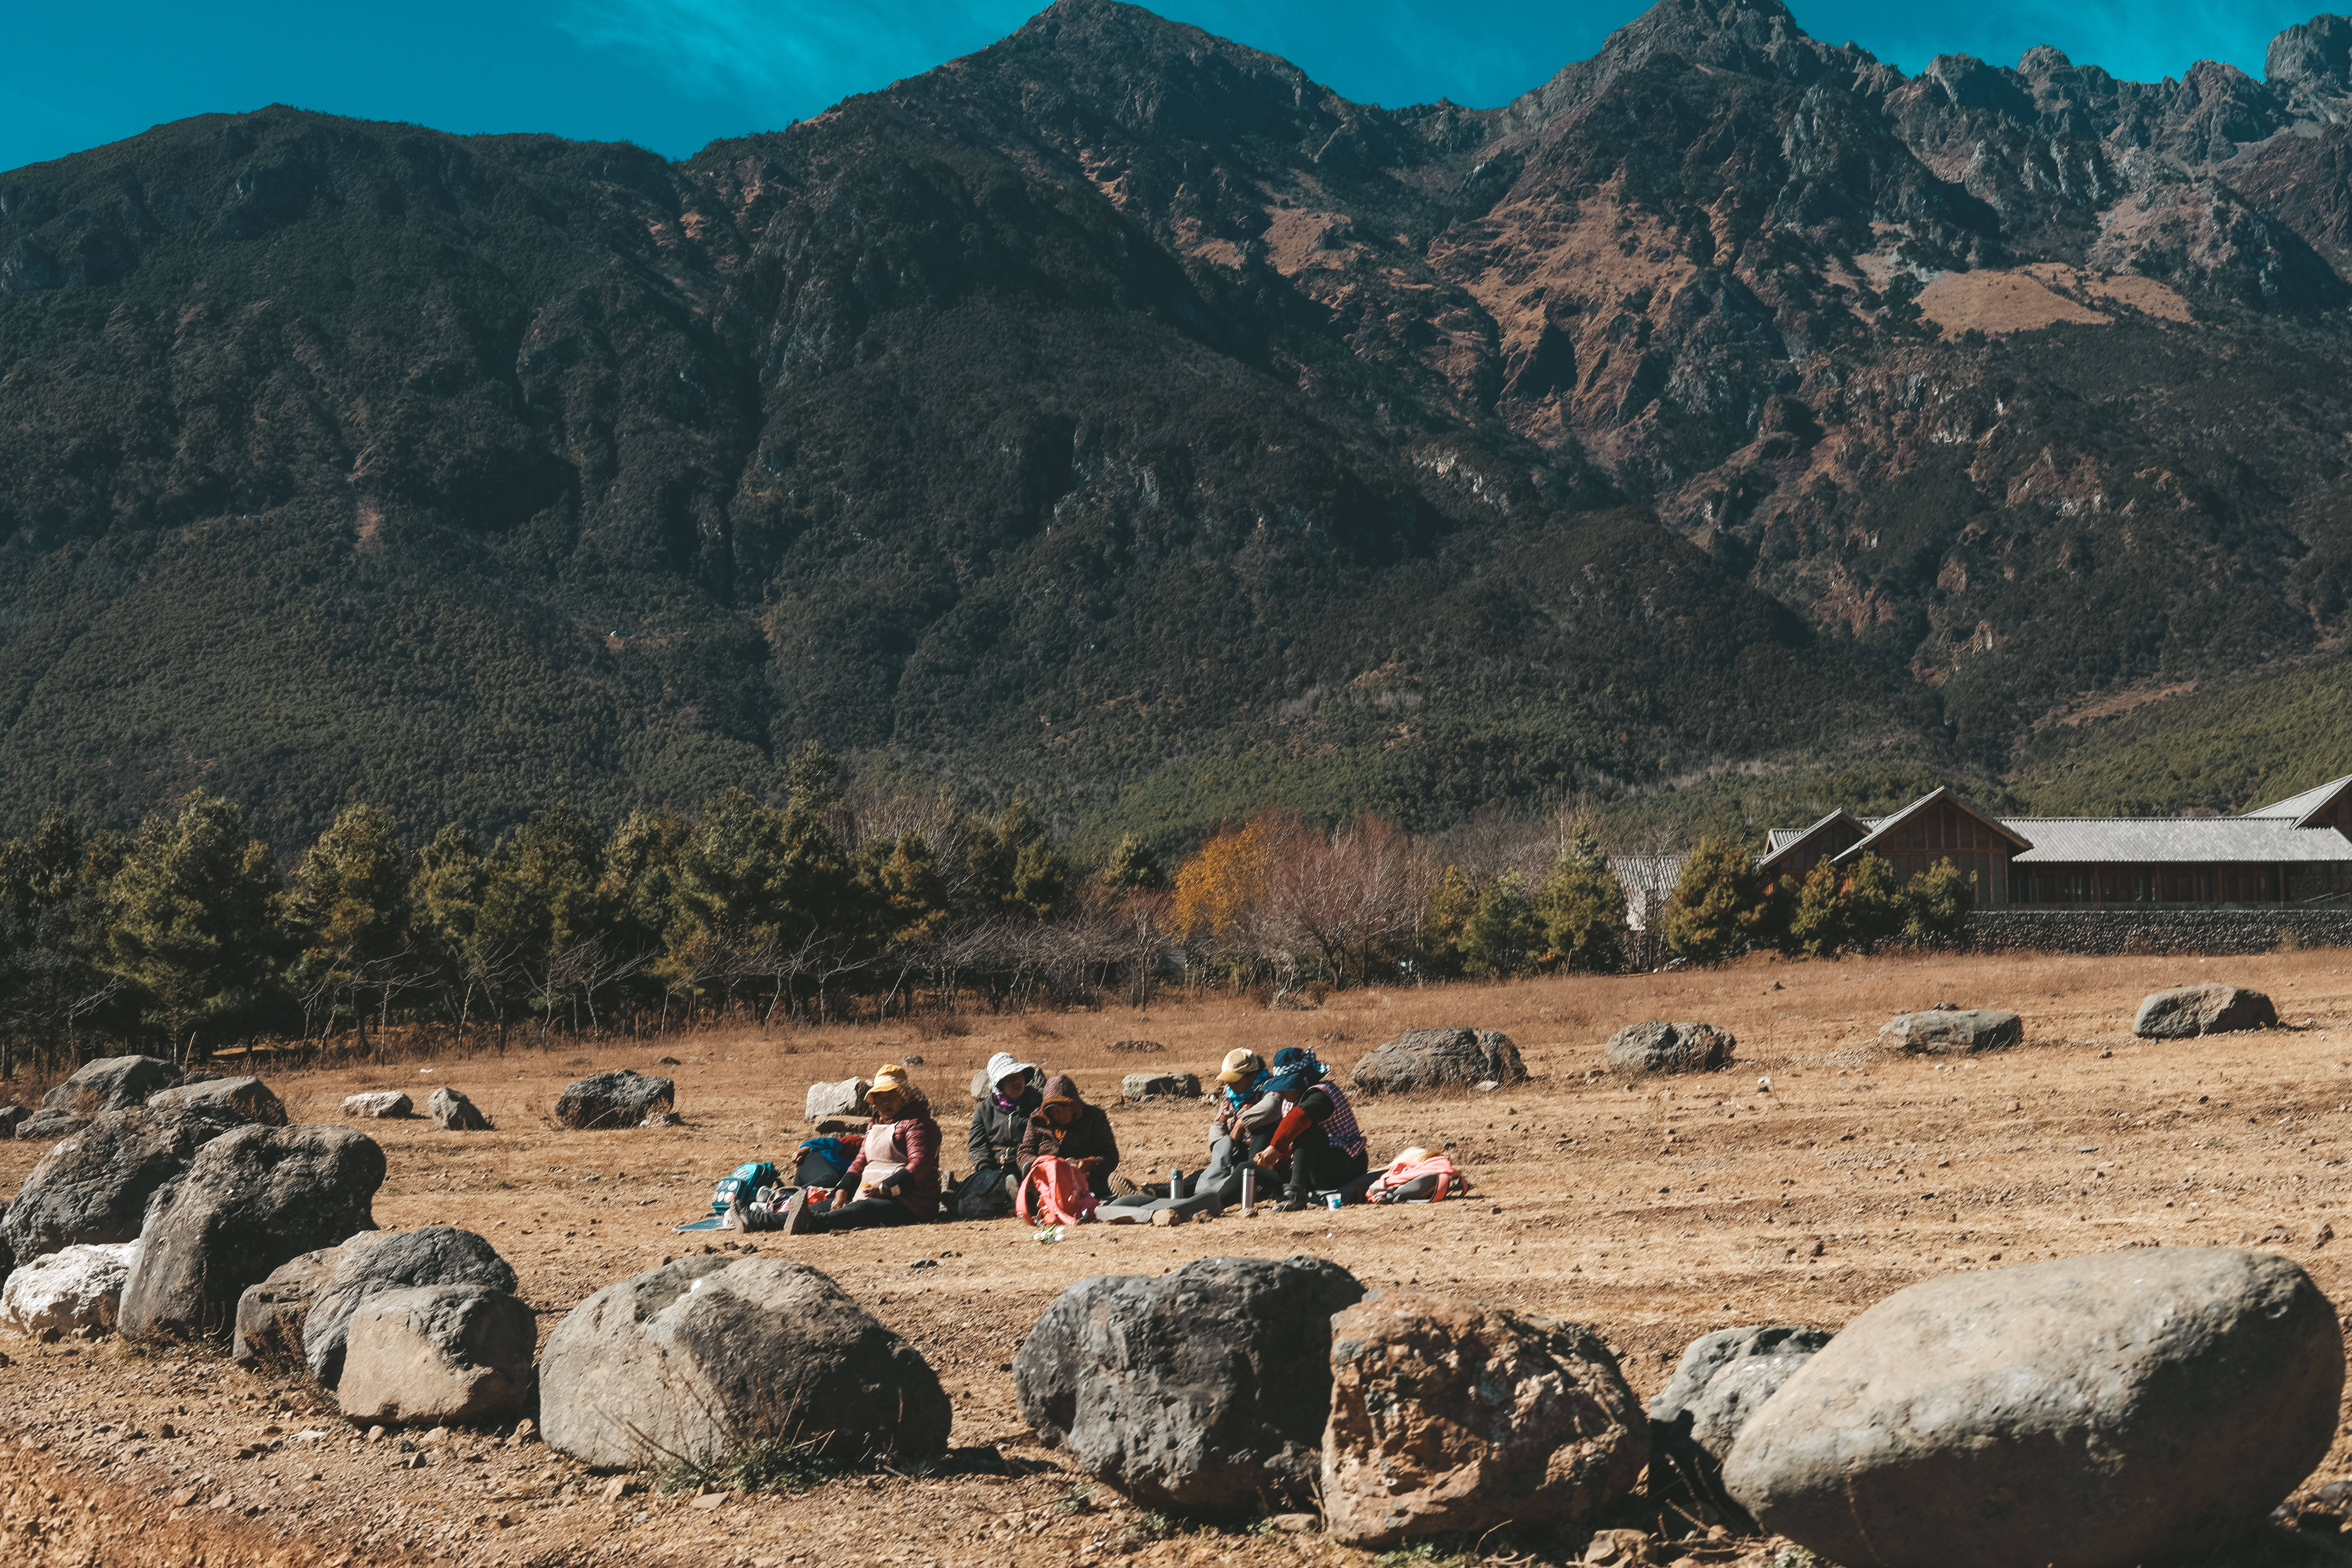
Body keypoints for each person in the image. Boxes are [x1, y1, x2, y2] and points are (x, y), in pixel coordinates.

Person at [782, 1064, 940, 1233]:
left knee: (861, 1211)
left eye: (891, 1096)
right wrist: (842, 1191)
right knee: (820, 1207)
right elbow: (859, 1162)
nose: (885, 1102)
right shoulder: (875, 1125)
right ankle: (761, 1220)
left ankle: (809, 1224)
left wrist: (885, 1189)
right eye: (880, 1097)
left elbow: (920, 1165)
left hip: (910, 1204)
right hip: (868, 1195)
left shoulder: (919, 1124)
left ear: (904, 1096)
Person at [1248, 1046, 1368, 1211]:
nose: (1282, 1092)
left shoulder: (1323, 1094)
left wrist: (1275, 1148)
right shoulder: (1289, 1103)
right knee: (1248, 1170)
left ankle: (1296, 1194)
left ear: (1302, 1081)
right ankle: (1217, 1202)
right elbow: (1298, 1150)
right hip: (1316, 1168)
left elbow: (1299, 1119)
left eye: (1287, 1086)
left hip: (1345, 1165)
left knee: (1305, 1128)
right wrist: (1278, 1158)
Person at [1015, 1074, 1121, 1198]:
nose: (1061, 1114)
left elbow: (1111, 1155)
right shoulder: (1038, 1120)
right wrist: (1045, 1166)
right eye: (1055, 1110)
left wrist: (1091, 1163)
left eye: (1065, 1108)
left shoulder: (1094, 1118)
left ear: (1075, 1105)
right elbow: (1024, 1152)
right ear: (1047, 1111)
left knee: (1097, 1199)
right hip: (1048, 1183)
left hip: (1086, 1184)